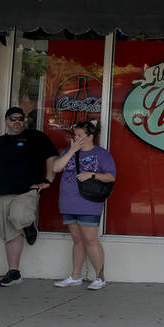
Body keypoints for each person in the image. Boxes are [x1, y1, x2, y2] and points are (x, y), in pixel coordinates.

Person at [0, 107, 58, 287]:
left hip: (26, 191)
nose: (17, 121)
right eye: (13, 118)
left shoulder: (36, 137)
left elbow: (51, 158)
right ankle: (14, 272)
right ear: (6, 121)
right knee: (10, 234)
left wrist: (48, 180)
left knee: (18, 216)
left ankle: (28, 225)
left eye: (21, 118)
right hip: (1, 193)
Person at [51, 120, 116, 290]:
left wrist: (92, 175)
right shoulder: (69, 150)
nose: (76, 138)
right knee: (77, 240)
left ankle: (99, 277)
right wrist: (72, 150)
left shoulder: (102, 154)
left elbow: (111, 177)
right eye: (75, 135)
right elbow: (56, 167)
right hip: (68, 202)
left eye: (80, 135)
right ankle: (75, 276)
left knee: (90, 239)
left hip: (89, 202)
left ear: (90, 137)